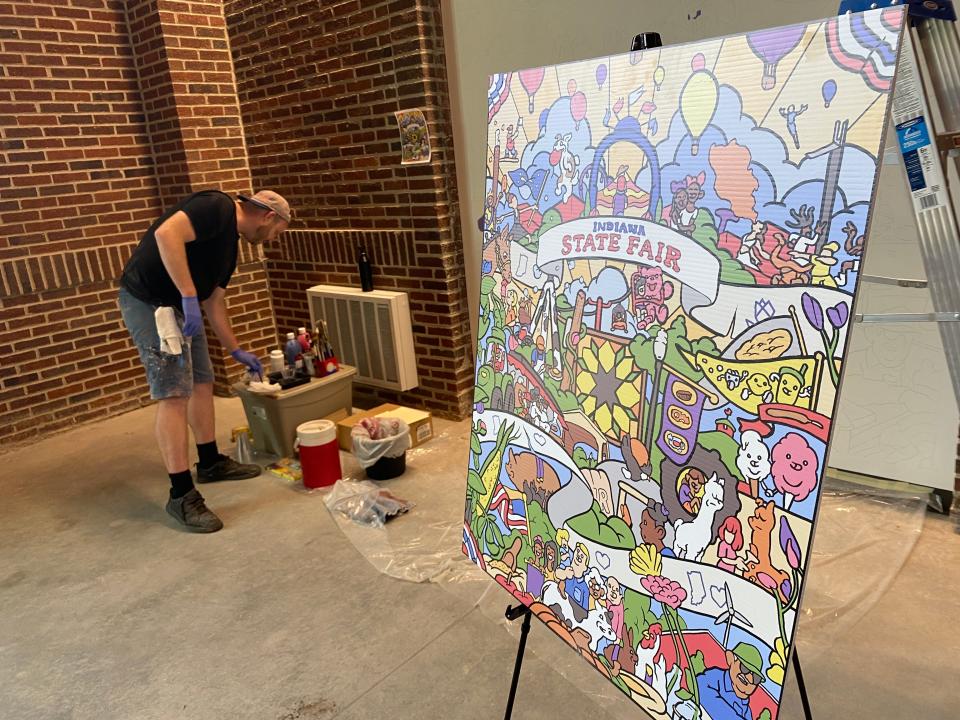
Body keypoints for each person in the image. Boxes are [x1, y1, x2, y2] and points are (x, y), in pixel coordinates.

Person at [118, 189, 291, 532]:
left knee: (202, 380)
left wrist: (235, 349)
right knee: (173, 394)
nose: (272, 239)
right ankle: (181, 494)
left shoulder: (229, 251)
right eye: (277, 232)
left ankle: (210, 462)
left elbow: (214, 304)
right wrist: (187, 295)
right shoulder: (217, 206)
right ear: (268, 216)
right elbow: (166, 234)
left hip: (185, 307)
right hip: (151, 303)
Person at [696, 642, 764, 720]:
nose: (749, 678)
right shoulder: (716, 677)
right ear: (731, 659)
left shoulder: (746, 711)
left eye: (756, 678)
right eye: (744, 668)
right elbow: (700, 687)